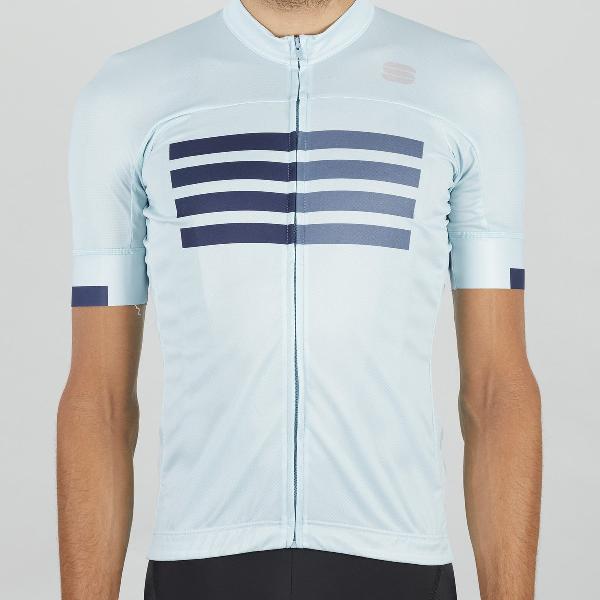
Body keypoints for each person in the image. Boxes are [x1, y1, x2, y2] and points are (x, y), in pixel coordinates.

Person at [57, 0, 542, 598]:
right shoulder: (129, 94)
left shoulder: (463, 88)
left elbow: (497, 390)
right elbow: (98, 398)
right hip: (202, 561)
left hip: (397, 560)